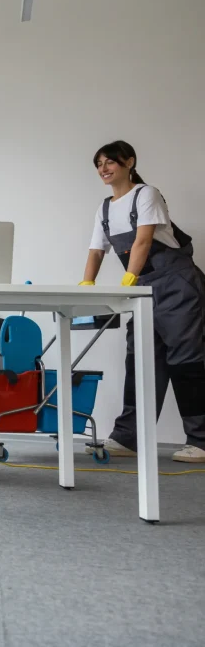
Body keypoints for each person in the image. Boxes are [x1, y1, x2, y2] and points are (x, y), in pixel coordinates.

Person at [80, 140, 205, 463]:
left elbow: (144, 239)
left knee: (186, 360)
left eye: (110, 162)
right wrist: (88, 283)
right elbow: (97, 250)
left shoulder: (145, 194)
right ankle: (129, 436)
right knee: (141, 361)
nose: (104, 169)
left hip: (175, 284)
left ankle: (201, 440)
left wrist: (129, 278)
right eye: (99, 164)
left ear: (129, 162)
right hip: (143, 287)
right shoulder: (105, 208)